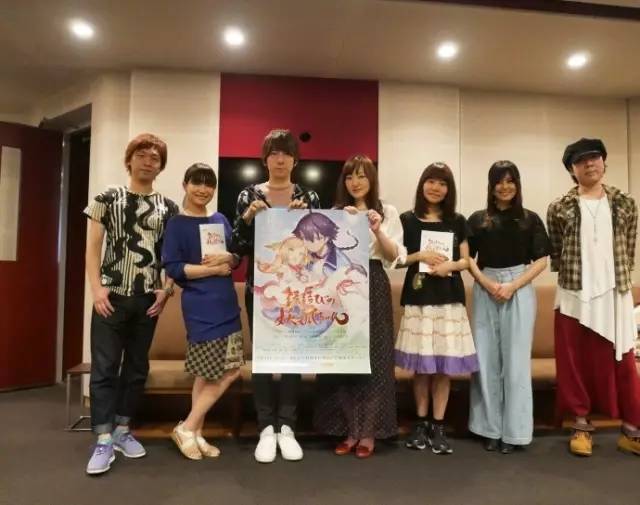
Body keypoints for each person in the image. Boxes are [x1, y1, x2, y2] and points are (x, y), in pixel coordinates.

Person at [84, 133, 179, 475]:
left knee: (137, 368)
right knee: (105, 368)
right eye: (142, 155)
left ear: (161, 166)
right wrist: (96, 290)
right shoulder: (107, 198)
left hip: (147, 300)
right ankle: (103, 439)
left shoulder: (168, 207)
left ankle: (123, 430)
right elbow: (93, 247)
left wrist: (166, 290)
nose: (148, 161)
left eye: (155, 157)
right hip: (110, 297)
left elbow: (171, 254)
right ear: (130, 160)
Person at [231, 129, 320, 463]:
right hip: (261, 289)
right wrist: (247, 218)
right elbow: (237, 246)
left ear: (295, 160)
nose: (280, 159)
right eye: (274, 153)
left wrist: (303, 221)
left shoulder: (308, 196)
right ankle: (266, 427)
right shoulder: (249, 195)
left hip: (299, 290)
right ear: (265, 159)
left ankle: (287, 427)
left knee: (293, 355)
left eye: (286, 153)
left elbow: (320, 250)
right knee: (264, 356)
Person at [547, 137, 640, 457]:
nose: (590, 164)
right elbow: (556, 253)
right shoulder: (559, 207)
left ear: (603, 162)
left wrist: (617, 281)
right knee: (574, 362)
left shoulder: (626, 202)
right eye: (581, 160)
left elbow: (629, 249)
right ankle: (581, 426)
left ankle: (631, 431)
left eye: (595, 157)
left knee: (623, 363)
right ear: (572, 170)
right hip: (574, 294)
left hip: (615, 293)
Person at [313, 154, 405, 458]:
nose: (356, 182)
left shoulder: (387, 211)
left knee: (374, 359)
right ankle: (349, 430)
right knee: (342, 357)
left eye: (362, 176)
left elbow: (394, 257)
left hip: (373, 282)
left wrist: (376, 228)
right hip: (340, 283)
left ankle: (368, 432)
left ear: (372, 179)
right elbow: (320, 254)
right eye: (350, 176)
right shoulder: (336, 213)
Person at [467, 161, 550, 454]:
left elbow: (542, 260)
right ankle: (488, 429)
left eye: (510, 181)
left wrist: (513, 285)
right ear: (491, 187)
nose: (505, 187)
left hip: (520, 286)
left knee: (516, 363)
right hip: (485, 285)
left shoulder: (530, 219)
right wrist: (486, 282)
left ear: (517, 184)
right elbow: (467, 258)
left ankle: (515, 432)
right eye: (499, 181)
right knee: (485, 359)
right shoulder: (478, 219)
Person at [395, 162, 479, 455]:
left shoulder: (457, 220)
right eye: (431, 181)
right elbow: (397, 259)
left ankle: (439, 425)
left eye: (442, 183)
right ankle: (420, 423)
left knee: (443, 368)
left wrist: (450, 265)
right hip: (419, 299)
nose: (436, 188)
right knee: (421, 367)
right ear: (422, 184)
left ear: (448, 189)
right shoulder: (407, 220)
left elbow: (467, 260)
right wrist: (419, 255)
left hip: (449, 300)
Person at [162, 163, 243, 460]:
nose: (203, 189)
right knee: (227, 371)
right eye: (197, 182)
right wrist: (211, 270)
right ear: (185, 184)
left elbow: (235, 256)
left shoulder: (219, 219)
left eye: (209, 184)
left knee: (208, 374)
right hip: (201, 307)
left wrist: (229, 259)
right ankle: (187, 427)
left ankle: (195, 433)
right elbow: (173, 267)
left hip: (226, 303)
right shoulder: (176, 224)